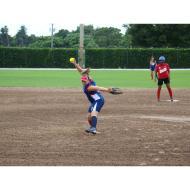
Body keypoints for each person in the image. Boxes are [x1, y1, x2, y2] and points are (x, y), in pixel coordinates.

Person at [70, 58, 119, 134]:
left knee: (94, 112)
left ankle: (93, 128)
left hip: (99, 100)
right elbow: (81, 71)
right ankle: (92, 127)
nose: (83, 82)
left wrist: (108, 90)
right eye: (82, 81)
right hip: (94, 101)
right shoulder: (87, 80)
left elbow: (98, 88)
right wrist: (75, 64)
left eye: (84, 80)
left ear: (87, 80)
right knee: (89, 118)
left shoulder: (89, 87)